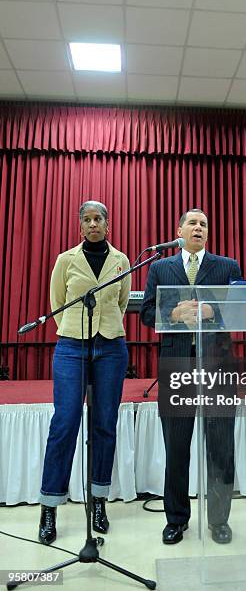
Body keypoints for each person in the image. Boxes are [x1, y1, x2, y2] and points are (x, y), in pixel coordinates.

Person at [140, 209, 242, 545]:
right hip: (177, 366)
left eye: (204, 224)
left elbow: (242, 308)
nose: (198, 228)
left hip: (218, 367)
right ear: (179, 229)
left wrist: (215, 311)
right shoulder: (160, 267)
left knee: (221, 447)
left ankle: (219, 520)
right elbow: (145, 312)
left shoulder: (228, 266)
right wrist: (171, 312)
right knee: (177, 447)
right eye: (193, 223)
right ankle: (176, 519)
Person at [38, 201, 131, 545]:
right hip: (71, 346)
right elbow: (56, 302)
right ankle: (49, 505)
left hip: (111, 346)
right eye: (87, 220)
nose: (93, 224)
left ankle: (99, 501)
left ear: (108, 224)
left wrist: (104, 327)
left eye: (99, 219)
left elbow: (121, 302)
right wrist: (74, 330)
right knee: (65, 422)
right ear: (80, 227)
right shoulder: (66, 260)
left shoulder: (121, 261)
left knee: (105, 423)